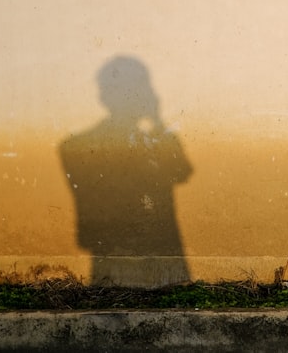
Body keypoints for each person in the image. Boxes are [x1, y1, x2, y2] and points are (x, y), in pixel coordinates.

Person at [60, 56, 192, 285]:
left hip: (146, 251)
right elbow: (179, 171)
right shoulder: (82, 147)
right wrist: (157, 122)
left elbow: (181, 171)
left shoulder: (80, 145)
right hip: (130, 251)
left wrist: (157, 123)